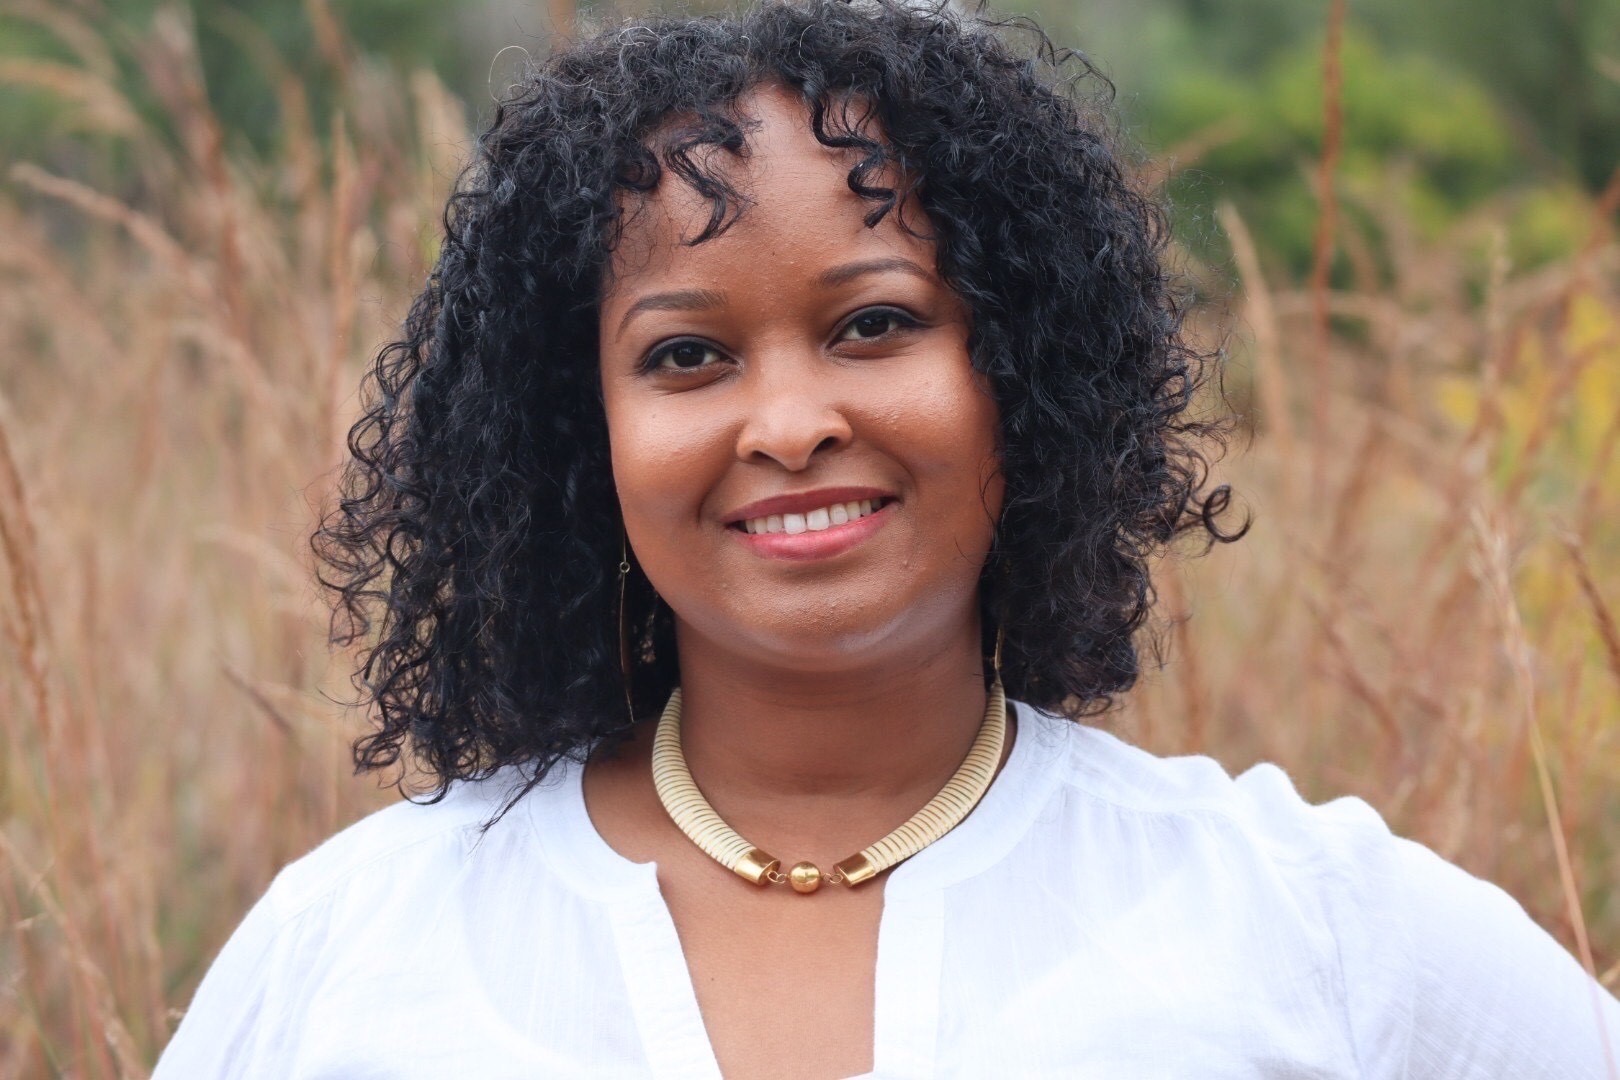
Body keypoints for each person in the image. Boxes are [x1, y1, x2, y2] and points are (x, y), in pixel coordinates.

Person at [155, 1, 1620, 1076]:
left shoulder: (1304, 921)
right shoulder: (354, 947)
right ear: (572, 435)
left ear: (1022, 380)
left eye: (875, 324)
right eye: (685, 356)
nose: (787, 422)